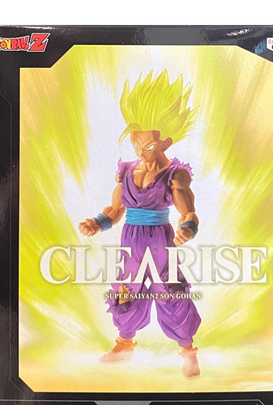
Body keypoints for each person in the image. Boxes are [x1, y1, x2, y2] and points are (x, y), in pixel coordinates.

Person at [78, 70, 202, 378]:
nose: (140, 152)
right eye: (135, 145)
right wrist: (98, 223)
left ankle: (188, 351)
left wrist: (187, 229)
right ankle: (124, 345)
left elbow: (189, 211)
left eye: (147, 146)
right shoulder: (127, 170)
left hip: (161, 240)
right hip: (130, 240)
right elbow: (116, 208)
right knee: (126, 289)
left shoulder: (175, 174)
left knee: (170, 290)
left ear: (165, 142)